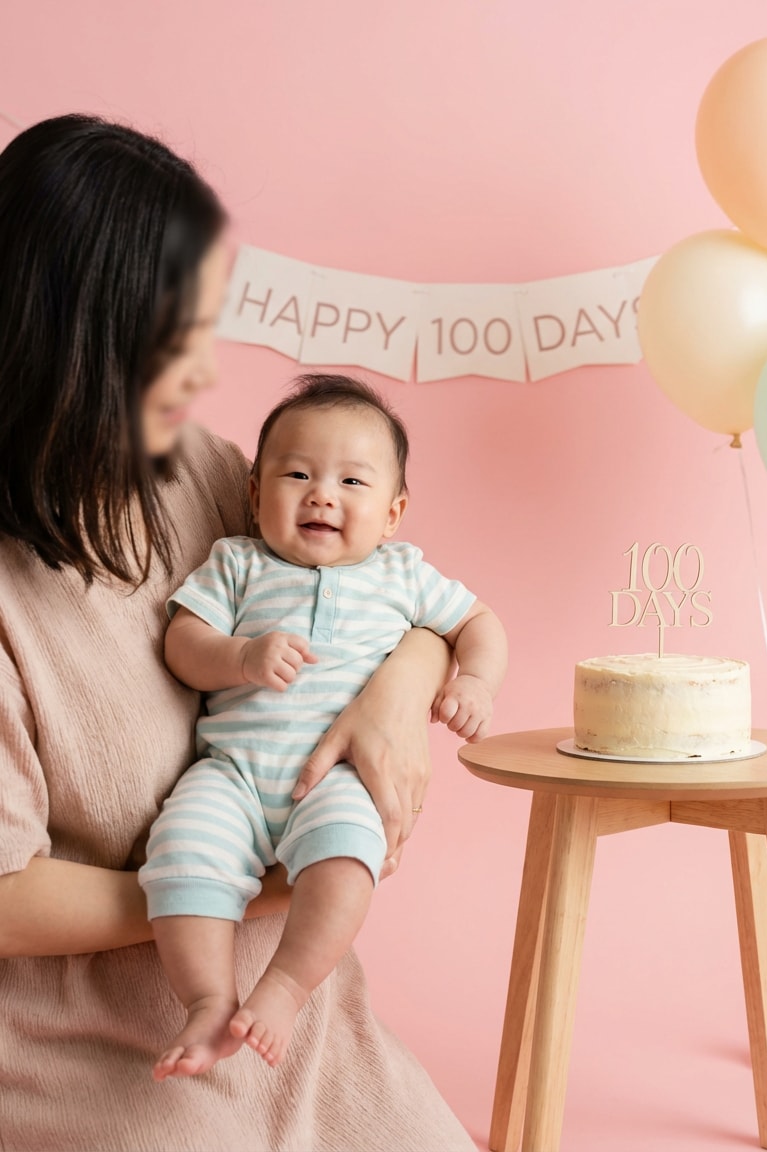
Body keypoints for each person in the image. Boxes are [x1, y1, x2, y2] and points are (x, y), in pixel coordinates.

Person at [0, 114, 479, 1152]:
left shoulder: (201, 473)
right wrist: (229, 884)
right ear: (86, 338)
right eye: (179, 337)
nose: (208, 373)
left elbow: (389, 587)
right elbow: (4, 898)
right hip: (93, 1054)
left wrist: (395, 699)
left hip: (298, 1016)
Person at [140, 374, 507, 1079]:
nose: (322, 494)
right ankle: (208, 1001)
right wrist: (241, 657)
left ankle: (284, 987)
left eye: (352, 482)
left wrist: (475, 682)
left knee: (348, 860)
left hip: (336, 780)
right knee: (180, 853)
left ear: (395, 512)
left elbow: (481, 624)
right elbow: (182, 644)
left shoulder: (403, 573)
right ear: (254, 494)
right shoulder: (239, 563)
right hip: (234, 774)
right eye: (298, 474)